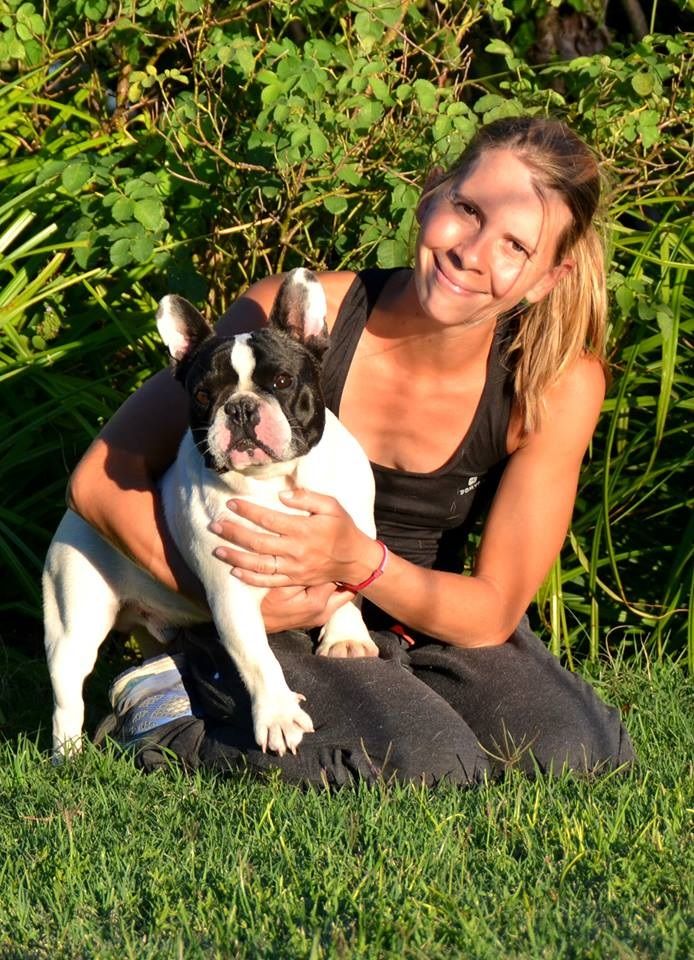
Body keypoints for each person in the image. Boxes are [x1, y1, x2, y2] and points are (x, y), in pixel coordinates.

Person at [72, 116, 634, 786]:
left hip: (421, 611)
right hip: (273, 609)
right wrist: (212, 599)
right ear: (430, 196)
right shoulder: (298, 321)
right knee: (422, 762)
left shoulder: (557, 380)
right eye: (466, 210)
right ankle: (173, 693)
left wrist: (358, 564)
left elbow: (492, 610)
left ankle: (402, 690)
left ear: (548, 277)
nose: (473, 253)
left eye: (516, 245)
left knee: (576, 748)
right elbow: (97, 484)